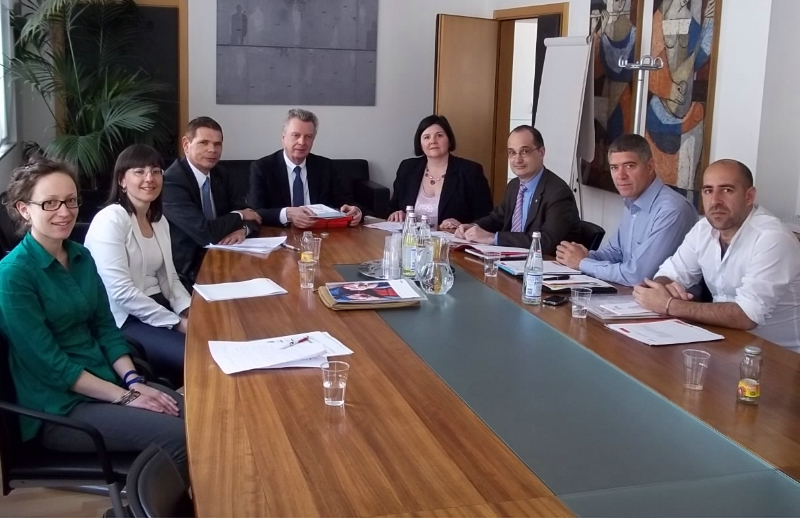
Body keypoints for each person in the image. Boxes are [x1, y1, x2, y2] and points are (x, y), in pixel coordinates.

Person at [0, 158, 188, 481]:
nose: (64, 212)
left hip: (108, 383)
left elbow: (106, 328)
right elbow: (51, 366)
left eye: (71, 201)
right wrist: (126, 397)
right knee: (181, 439)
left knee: (202, 418)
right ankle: (154, 504)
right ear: (24, 209)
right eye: (50, 203)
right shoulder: (13, 275)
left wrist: (133, 381)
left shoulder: (80, 255)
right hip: (60, 409)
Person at [633, 159, 800, 351]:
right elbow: (670, 273)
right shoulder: (703, 229)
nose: (715, 201)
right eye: (708, 191)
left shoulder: (772, 238)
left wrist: (670, 304)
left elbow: (748, 315)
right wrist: (662, 288)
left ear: (749, 196)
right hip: (725, 343)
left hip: (779, 357)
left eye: (727, 190)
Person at [84, 145, 192, 386]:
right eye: (139, 171)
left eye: (156, 171)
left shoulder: (159, 220)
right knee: (199, 355)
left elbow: (170, 277)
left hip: (159, 306)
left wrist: (188, 311)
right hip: (126, 318)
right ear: (122, 180)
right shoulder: (111, 219)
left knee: (217, 335)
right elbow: (121, 292)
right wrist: (177, 323)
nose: (149, 178)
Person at [555, 134, 697, 286]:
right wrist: (583, 256)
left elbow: (638, 275)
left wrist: (583, 263)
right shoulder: (632, 201)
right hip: (631, 294)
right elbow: (615, 253)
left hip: (668, 299)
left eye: (629, 166)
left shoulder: (672, 210)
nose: (621, 176)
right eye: (614, 168)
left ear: (650, 167)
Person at [162, 116, 261, 283]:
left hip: (225, 258)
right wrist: (239, 216)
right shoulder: (172, 182)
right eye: (204, 143)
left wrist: (243, 229)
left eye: (217, 144)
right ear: (186, 144)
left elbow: (252, 214)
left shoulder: (221, 174)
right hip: (187, 270)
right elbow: (205, 233)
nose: (212, 150)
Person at [454, 125, 581, 253]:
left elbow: (547, 242)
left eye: (525, 151)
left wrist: (494, 238)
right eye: (512, 152)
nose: (517, 159)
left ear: (541, 153)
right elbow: (498, 218)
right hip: (511, 259)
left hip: (543, 262)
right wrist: (473, 227)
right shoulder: (514, 185)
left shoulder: (558, 193)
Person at [248, 108, 362, 228]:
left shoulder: (325, 167)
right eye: (296, 135)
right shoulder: (262, 168)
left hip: (320, 233)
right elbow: (255, 211)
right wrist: (287, 214)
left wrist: (356, 211)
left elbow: (346, 202)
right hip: (280, 232)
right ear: (283, 138)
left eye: (308, 136)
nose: (302, 142)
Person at [386, 115, 492, 229]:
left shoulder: (470, 171)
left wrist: (462, 225)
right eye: (426, 137)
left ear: (449, 140)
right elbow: (392, 206)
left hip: (453, 238)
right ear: (420, 144)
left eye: (439, 135)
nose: (433, 141)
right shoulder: (407, 168)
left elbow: (486, 217)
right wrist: (396, 213)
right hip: (410, 238)